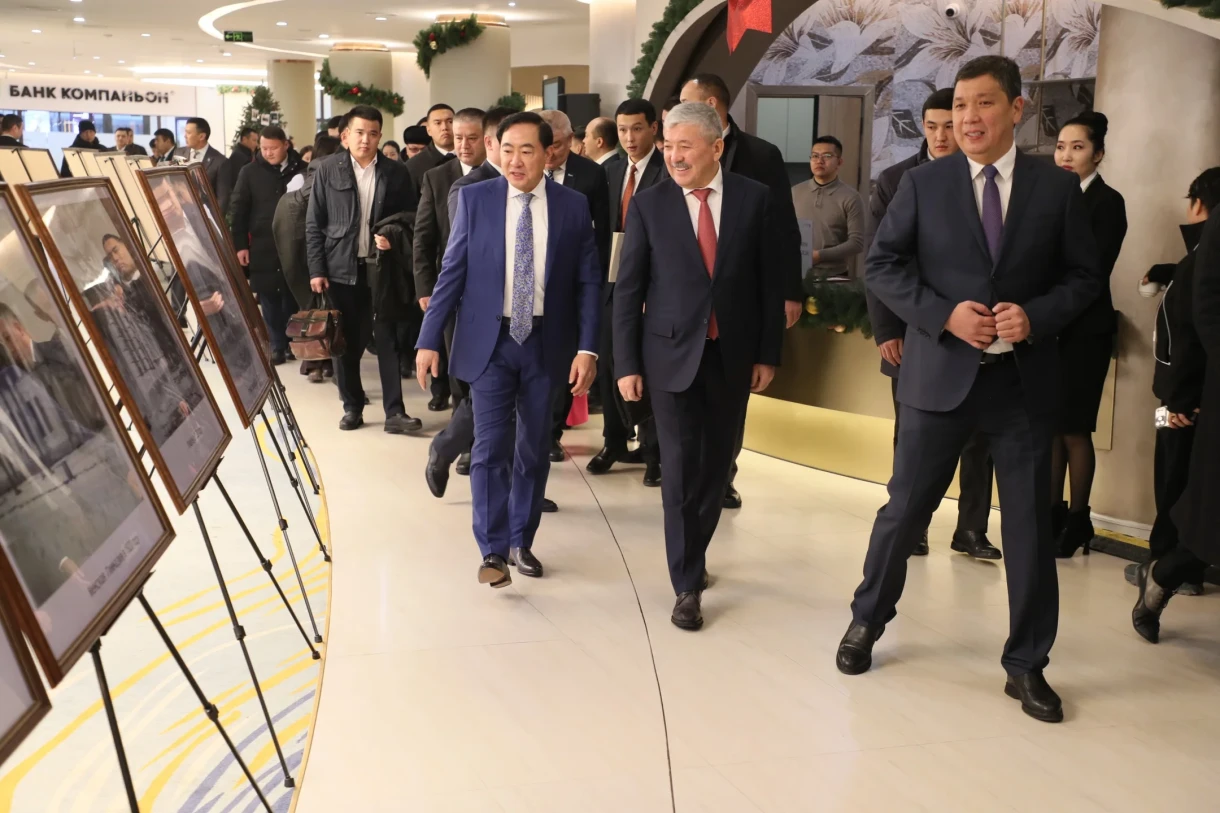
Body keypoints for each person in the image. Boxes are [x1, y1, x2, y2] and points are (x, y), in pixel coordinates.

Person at [837, 56, 1099, 725]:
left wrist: (1035, 315)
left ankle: (1027, 662)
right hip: (938, 378)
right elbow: (882, 266)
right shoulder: (922, 184)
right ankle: (867, 620)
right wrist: (942, 315)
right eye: (960, 105)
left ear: (1016, 109)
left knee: (1030, 527)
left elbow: (1084, 277)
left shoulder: (1055, 187)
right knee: (904, 511)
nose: (969, 117)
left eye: (984, 103)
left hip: (1021, 384)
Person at [615, 102, 783, 630]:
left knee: (717, 467)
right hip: (668, 356)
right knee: (681, 468)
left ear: (716, 147)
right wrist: (626, 363)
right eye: (668, 146)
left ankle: (695, 551)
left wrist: (768, 353)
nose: (674, 156)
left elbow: (770, 283)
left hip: (732, 356)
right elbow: (628, 290)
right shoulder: (649, 205)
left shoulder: (754, 199)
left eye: (685, 146)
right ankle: (686, 584)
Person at [416, 111, 600, 588]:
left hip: (546, 342)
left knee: (533, 450)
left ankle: (522, 540)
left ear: (549, 153)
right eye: (508, 149)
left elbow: (588, 284)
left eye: (527, 151)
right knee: (489, 448)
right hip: (491, 342)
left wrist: (588, 349)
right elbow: (451, 272)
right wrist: (428, 339)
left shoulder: (573, 206)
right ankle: (493, 550)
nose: (515, 160)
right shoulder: (475, 199)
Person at [866, 87, 998, 560]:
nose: (942, 136)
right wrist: (887, 330)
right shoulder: (898, 179)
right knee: (914, 438)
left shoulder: (988, 181)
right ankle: (914, 524)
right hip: (916, 331)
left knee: (979, 439)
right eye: (933, 126)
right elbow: (879, 262)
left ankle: (971, 528)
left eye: (950, 126)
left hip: (981, 335)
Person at [680, 74, 803, 509]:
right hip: (686, 298)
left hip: (739, 296)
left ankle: (723, 475)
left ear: (714, 105)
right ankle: (682, 473)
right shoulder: (676, 153)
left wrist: (790, 290)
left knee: (730, 399)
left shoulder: (761, 155)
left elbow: (784, 228)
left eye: (689, 102)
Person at [1126, 169, 1220, 596]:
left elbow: (1188, 337)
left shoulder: (1200, 259)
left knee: (1174, 481)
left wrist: (1178, 401)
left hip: (1181, 398)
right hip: (1188, 394)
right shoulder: (1195, 259)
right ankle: (1179, 568)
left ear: (1199, 203)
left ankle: (1166, 566)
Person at [424, 106, 521, 497]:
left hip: (530, 313)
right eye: (511, 146)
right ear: (494, 143)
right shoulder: (468, 188)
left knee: (520, 401)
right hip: (483, 311)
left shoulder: (537, 186)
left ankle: (520, 487)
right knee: (484, 395)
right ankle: (448, 448)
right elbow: (458, 256)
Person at [306, 106, 421, 434]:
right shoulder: (328, 170)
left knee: (387, 338)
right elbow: (314, 223)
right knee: (345, 342)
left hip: (381, 268)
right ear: (345, 136)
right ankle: (352, 406)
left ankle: (394, 412)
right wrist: (316, 269)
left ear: (380, 136)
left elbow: (410, 218)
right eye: (359, 133)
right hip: (339, 268)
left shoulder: (396, 172)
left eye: (373, 133)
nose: (366, 140)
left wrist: (392, 237)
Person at [1050, 112, 1128, 557]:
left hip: (1085, 329)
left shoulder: (1107, 202)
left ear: (1097, 154)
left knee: (1074, 428)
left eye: (1077, 147)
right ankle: (1051, 514)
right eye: (1061, 146)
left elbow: (1091, 272)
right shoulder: (1049, 195)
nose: (1066, 155)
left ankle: (1079, 519)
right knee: (1050, 427)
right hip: (1049, 329)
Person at [588, 98, 668, 486]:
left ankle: (654, 453)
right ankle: (614, 441)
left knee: (647, 367)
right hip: (611, 280)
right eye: (622, 130)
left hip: (652, 283)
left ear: (653, 128)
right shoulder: (611, 171)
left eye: (637, 128)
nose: (629, 137)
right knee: (609, 362)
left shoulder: (667, 170)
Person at [538, 108, 611, 462]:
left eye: (556, 144)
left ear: (571, 141)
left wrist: (593, 284)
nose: (549, 152)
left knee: (563, 362)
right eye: (544, 144)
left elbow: (602, 235)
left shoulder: (591, 175)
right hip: (529, 280)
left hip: (569, 284)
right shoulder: (524, 167)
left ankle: (552, 432)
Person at [414, 107, 486, 414]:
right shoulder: (437, 177)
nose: (464, 145)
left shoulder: (503, 176)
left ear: (487, 139)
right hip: (451, 287)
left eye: (472, 138)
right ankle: (462, 423)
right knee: (457, 360)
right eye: (459, 138)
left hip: (491, 288)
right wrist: (425, 287)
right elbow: (423, 237)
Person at [229, 125, 306, 366]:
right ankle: (276, 344)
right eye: (263, 148)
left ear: (286, 145)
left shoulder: (302, 170)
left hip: (296, 244)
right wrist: (240, 245)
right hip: (262, 244)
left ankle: (293, 342)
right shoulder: (249, 172)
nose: (268, 152)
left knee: (293, 293)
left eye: (273, 148)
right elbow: (238, 210)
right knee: (268, 295)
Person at [274, 134, 341, 382]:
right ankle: (330, 362)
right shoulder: (336, 180)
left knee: (310, 308)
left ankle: (313, 362)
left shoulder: (299, 180)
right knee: (332, 309)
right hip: (330, 253)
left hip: (300, 255)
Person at [793, 135, 865, 278]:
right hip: (796, 273)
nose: (819, 161)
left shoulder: (851, 197)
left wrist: (819, 256)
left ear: (839, 162)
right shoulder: (794, 192)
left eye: (827, 156)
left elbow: (856, 243)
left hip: (834, 276)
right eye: (815, 156)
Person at [174, 117, 233, 213]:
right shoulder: (179, 153)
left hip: (205, 214)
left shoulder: (220, 161)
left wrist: (214, 219)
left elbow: (223, 198)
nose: (185, 136)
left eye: (188, 133)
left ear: (201, 136)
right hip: (181, 213)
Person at [405, 104, 455, 190]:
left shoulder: (472, 157)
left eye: (450, 122)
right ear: (428, 130)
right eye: (438, 123)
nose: (444, 127)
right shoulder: (413, 166)